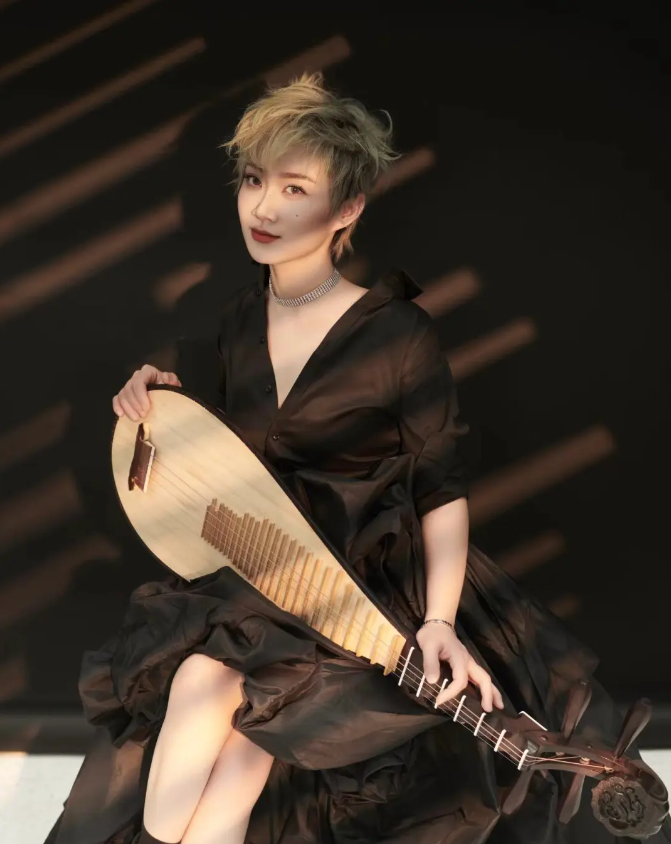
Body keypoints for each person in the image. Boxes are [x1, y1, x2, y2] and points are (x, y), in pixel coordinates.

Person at [45, 73, 669, 844]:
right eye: (252, 181)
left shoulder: (397, 335)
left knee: (210, 762)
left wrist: (438, 621)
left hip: (363, 593)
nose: (263, 208)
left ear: (346, 209)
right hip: (264, 580)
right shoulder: (236, 321)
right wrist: (160, 401)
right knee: (174, 803)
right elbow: (232, 458)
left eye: (293, 188)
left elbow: (438, 487)